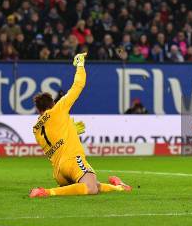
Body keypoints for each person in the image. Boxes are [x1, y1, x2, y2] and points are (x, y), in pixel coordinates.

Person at [29, 53, 132, 197]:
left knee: (92, 184)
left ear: (38, 110)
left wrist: (71, 130)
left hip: (59, 172)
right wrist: (80, 64)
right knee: (91, 188)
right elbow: (78, 85)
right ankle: (45, 192)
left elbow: (55, 140)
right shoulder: (58, 109)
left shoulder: (36, 129)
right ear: (52, 104)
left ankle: (120, 187)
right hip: (72, 160)